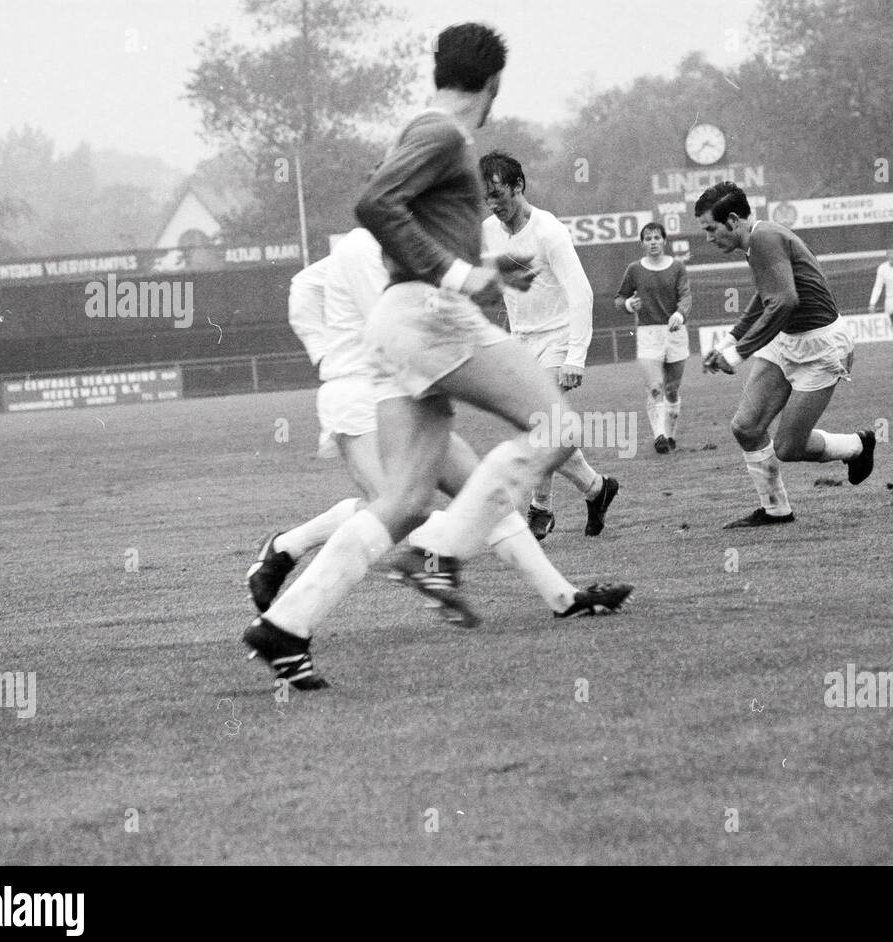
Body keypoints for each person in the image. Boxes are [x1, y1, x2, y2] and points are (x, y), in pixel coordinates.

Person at [242, 23, 632, 690]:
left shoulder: (418, 130)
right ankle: (438, 552)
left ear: (439, 72)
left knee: (402, 498)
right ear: (494, 84)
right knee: (559, 429)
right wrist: (459, 277)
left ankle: (285, 624)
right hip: (430, 314)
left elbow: (406, 219)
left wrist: (484, 264)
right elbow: (374, 204)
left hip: (398, 320)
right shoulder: (445, 133)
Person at [247, 227, 631, 653]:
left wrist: (483, 274)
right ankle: (291, 567)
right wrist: (327, 356)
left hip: (405, 385)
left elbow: (319, 286)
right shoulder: (362, 248)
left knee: (480, 493)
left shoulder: (395, 245)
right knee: (400, 508)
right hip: (363, 390)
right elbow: (398, 319)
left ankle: (563, 599)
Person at [696, 182, 875, 529]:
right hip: (786, 340)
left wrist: (737, 355)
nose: (707, 237)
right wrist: (730, 339)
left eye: (710, 229)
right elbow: (768, 296)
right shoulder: (754, 242)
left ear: (733, 220)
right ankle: (776, 510)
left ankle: (857, 445)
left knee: (788, 448)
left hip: (821, 347)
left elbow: (785, 301)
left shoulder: (763, 239)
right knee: (746, 427)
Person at [479, 150, 619, 541]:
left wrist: (576, 356)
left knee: (538, 423)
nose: (493, 205)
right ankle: (596, 488)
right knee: (543, 426)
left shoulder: (549, 231)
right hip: (520, 341)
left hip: (557, 338)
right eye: (487, 198)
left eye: (499, 195)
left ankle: (541, 508)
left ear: (519, 187)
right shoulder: (488, 231)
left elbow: (582, 293)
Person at [614, 223, 691, 453]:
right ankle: (659, 436)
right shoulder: (635, 269)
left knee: (671, 390)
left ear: (664, 241)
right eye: (648, 239)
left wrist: (679, 313)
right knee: (655, 387)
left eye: (657, 237)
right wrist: (629, 304)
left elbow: (686, 296)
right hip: (648, 334)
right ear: (642, 243)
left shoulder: (677, 267)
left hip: (675, 333)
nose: (653, 242)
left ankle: (670, 434)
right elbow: (620, 298)